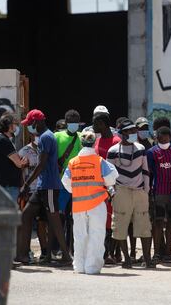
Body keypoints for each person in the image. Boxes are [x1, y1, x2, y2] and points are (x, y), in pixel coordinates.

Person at [17, 109, 72, 265]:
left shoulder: (46, 137)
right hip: (42, 186)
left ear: (36, 122)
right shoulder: (45, 137)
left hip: (48, 185)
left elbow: (41, 164)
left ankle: (66, 256)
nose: (28, 127)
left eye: (29, 124)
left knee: (54, 219)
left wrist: (26, 184)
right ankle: (24, 255)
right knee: (26, 215)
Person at [62, 131, 118, 274]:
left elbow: (66, 182)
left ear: (81, 143)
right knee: (96, 235)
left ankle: (79, 266)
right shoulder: (99, 161)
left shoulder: (73, 162)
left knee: (79, 236)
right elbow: (112, 178)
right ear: (94, 143)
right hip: (97, 204)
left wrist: (76, 190)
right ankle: (91, 267)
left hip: (79, 205)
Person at [107, 119, 154, 268]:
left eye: (134, 130)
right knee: (120, 225)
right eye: (130, 131)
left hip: (139, 191)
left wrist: (146, 190)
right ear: (122, 133)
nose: (134, 133)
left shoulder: (140, 148)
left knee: (144, 225)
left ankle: (147, 259)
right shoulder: (113, 151)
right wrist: (112, 193)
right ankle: (126, 259)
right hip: (121, 191)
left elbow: (146, 171)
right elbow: (108, 175)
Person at [93, 111, 121, 264]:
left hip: (113, 186)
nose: (93, 126)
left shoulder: (116, 141)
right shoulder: (97, 141)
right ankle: (104, 253)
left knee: (113, 221)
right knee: (102, 221)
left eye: (95, 123)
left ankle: (113, 253)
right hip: (98, 188)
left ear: (103, 124)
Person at [147, 126, 171, 262]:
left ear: (170, 138)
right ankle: (157, 253)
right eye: (161, 138)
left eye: (167, 138)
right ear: (157, 138)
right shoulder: (152, 152)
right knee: (158, 222)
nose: (165, 140)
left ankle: (168, 253)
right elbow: (149, 173)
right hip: (158, 192)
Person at [55, 109, 82, 251]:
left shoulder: (81, 137)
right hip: (61, 184)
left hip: (78, 184)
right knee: (60, 217)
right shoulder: (57, 136)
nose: (74, 125)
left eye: (76, 122)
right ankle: (60, 247)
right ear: (66, 123)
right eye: (71, 122)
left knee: (75, 218)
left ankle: (73, 248)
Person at [18, 134, 48, 261]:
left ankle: (45, 252)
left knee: (43, 223)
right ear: (31, 135)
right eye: (36, 135)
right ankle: (27, 251)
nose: (38, 137)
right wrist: (22, 188)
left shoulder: (46, 149)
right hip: (30, 192)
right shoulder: (24, 151)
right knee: (27, 223)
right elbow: (20, 172)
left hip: (43, 190)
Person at [0, 113, 27, 201]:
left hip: (7, 186)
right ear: (9, 125)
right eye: (15, 124)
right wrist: (24, 161)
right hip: (8, 187)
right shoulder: (3, 140)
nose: (16, 126)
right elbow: (19, 164)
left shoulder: (1, 139)